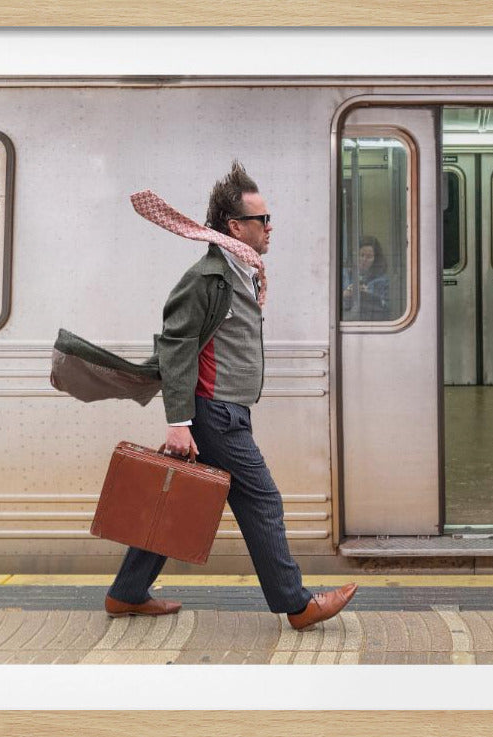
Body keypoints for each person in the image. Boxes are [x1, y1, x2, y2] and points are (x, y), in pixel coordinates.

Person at [104, 162, 357, 630]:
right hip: (214, 413)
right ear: (235, 226)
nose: (270, 227)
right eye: (262, 219)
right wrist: (178, 420)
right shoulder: (208, 278)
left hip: (226, 409)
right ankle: (296, 604)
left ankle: (127, 593)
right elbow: (176, 346)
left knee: (179, 499)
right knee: (262, 500)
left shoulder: (245, 271)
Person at [342, 235, 390, 320]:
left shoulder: (382, 280)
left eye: (369, 257)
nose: (364, 259)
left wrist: (369, 296)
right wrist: (345, 294)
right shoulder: (343, 274)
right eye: (361, 255)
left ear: (376, 259)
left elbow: (385, 309)